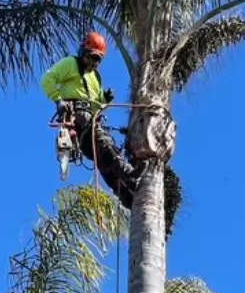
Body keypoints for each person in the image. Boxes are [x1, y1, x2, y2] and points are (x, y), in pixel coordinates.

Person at [41, 32, 181, 236]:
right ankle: (127, 172)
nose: (93, 62)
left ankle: (125, 194)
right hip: (76, 114)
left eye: (98, 59)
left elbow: (96, 106)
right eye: (91, 57)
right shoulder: (70, 64)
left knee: (103, 160)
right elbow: (47, 79)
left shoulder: (95, 77)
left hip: (89, 116)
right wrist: (58, 99)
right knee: (103, 143)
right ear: (83, 52)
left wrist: (104, 99)